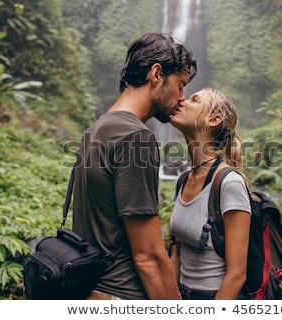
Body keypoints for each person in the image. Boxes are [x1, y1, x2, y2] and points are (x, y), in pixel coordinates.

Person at [72, 32, 197, 300]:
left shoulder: (97, 128)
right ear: (156, 74)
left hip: (89, 290)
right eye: (180, 84)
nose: (182, 97)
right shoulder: (135, 137)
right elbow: (148, 256)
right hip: (121, 296)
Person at [169, 87, 252, 299]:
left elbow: (237, 274)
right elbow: (177, 254)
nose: (182, 101)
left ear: (214, 119)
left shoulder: (229, 183)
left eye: (194, 100)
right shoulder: (183, 181)